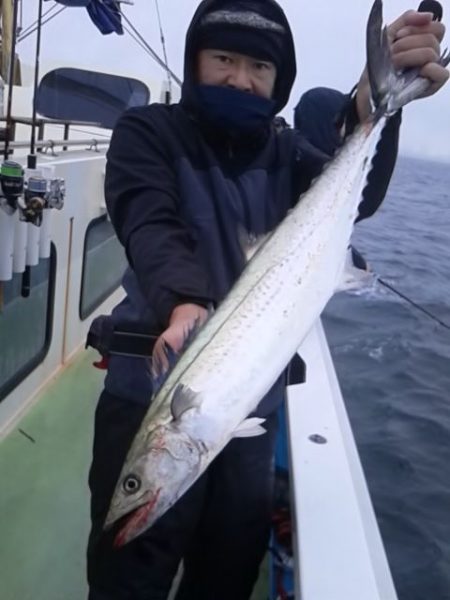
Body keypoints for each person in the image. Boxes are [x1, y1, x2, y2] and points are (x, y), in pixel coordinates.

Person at [86, 1, 448, 598]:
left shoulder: (286, 152)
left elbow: (353, 191)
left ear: (279, 82)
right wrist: (182, 302)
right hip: (144, 386)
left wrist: (373, 105)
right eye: (223, 59)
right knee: (128, 577)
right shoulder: (148, 132)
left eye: (259, 66)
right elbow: (149, 221)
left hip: (253, 403)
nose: (240, 78)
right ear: (194, 59)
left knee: (228, 568)